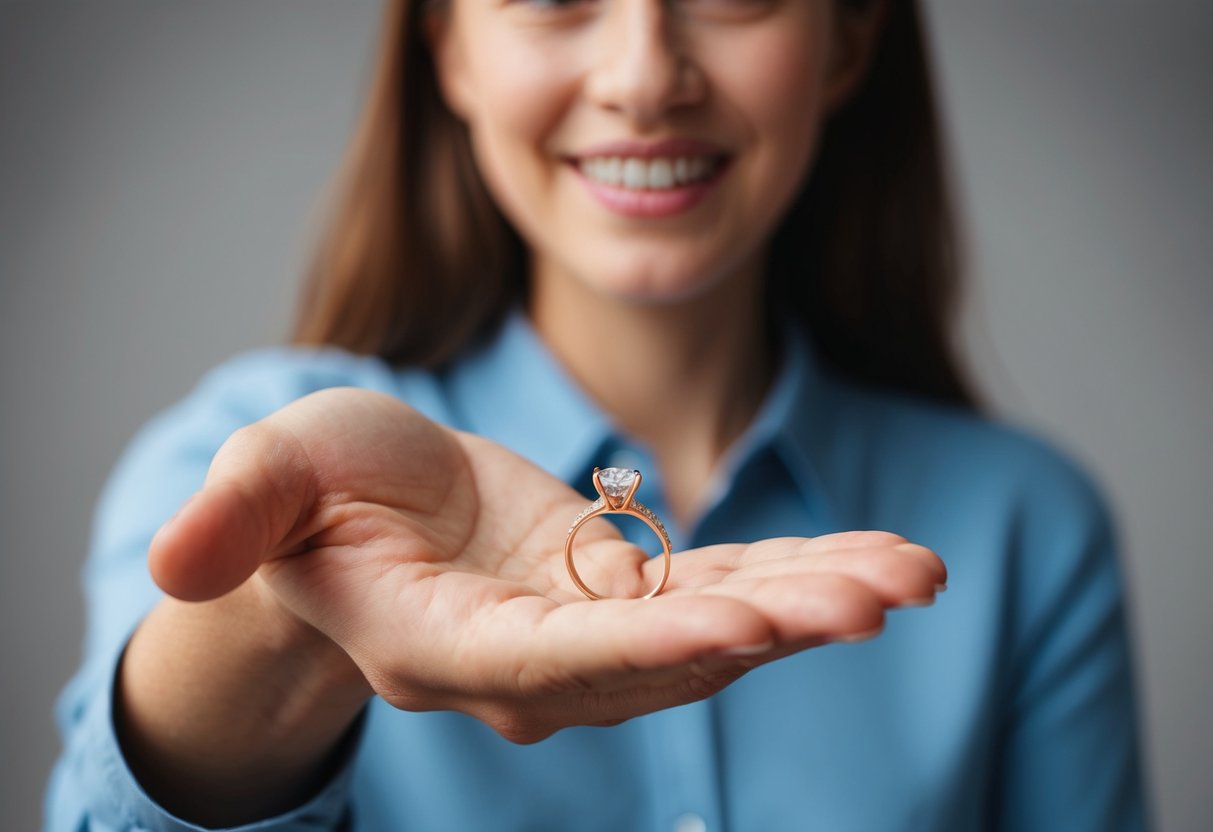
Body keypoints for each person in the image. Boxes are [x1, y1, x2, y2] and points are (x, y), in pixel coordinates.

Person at [45, 0, 1148, 829]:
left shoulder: (1026, 527)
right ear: (448, 44)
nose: (643, 75)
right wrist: (282, 626)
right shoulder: (251, 455)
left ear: (847, 40)